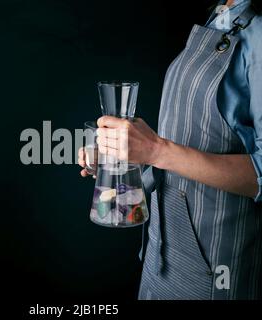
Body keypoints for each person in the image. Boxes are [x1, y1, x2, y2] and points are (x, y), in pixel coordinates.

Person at [78, 0, 262, 299]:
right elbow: (191, 139)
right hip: (163, 251)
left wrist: (154, 150)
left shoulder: (259, 35)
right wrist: (125, 155)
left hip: (217, 270)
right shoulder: (220, 16)